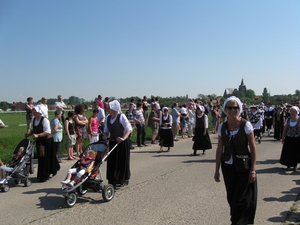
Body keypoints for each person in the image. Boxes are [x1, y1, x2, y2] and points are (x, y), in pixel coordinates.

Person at [214, 96, 257, 225]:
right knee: (232, 197)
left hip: (243, 166)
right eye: (230, 107)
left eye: (236, 107)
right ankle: (237, 220)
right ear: (225, 109)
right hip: (228, 166)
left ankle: (237, 222)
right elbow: (220, 148)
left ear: (239, 109)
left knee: (241, 198)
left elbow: (253, 148)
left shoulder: (245, 125)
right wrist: (217, 170)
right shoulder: (222, 127)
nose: (233, 110)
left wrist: (253, 170)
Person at [103, 100, 132, 188]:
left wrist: (123, 137)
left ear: (113, 108)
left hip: (121, 143)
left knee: (121, 161)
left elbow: (129, 129)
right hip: (112, 142)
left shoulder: (121, 116)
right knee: (112, 162)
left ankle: (122, 179)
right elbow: (106, 130)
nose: (107, 109)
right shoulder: (108, 118)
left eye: (109, 107)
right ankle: (112, 180)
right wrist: (104, 135)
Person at [26, 105, 60, 182]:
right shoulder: (34, 120)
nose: (33, 113)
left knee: (46, 158)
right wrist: (28, 134)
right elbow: (33, 130)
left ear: (39, 112)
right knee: (41, 158)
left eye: (35, 111)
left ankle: (46, 175)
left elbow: (47, 132)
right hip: (40, 142)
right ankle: (42, 174)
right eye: (33, 111)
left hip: (47, 142)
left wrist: (38, 135)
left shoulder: (45, 120)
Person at [279, 106, 300, 171]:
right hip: (289, 138)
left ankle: (295, 165)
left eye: (293, 111)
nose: (292, 113)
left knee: (296, 152)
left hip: (297, 138)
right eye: (291, 111)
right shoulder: (288, 119)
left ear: (297, 112)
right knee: (289, 152)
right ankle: (288, 165)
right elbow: (285, 129)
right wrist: (283, 138)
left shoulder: (299, 119)